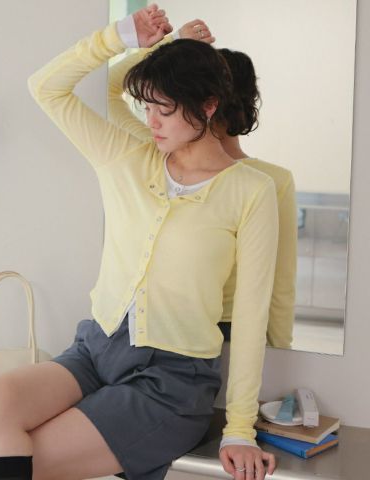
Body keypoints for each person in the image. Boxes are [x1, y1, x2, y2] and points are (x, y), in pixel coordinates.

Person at [0, 5, 278, 480]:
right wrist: (121, 37)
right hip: (96, 350)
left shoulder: (252, 191)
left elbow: (253, 315)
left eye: (164, 109)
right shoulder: (128, 157)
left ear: (208, 105)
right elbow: (46, 87)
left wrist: (239, 429)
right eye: (146, 107)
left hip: (172, 380)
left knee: (15, 458)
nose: (152, 121)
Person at [108, 19, 297, 350]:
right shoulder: (157, 158)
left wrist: (281, 355)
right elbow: (107, 91)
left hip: (227, 331)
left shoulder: (265, 184)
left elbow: (278, 285)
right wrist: (170, 46)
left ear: (210, 103)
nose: (154, 116)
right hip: (165, 327)